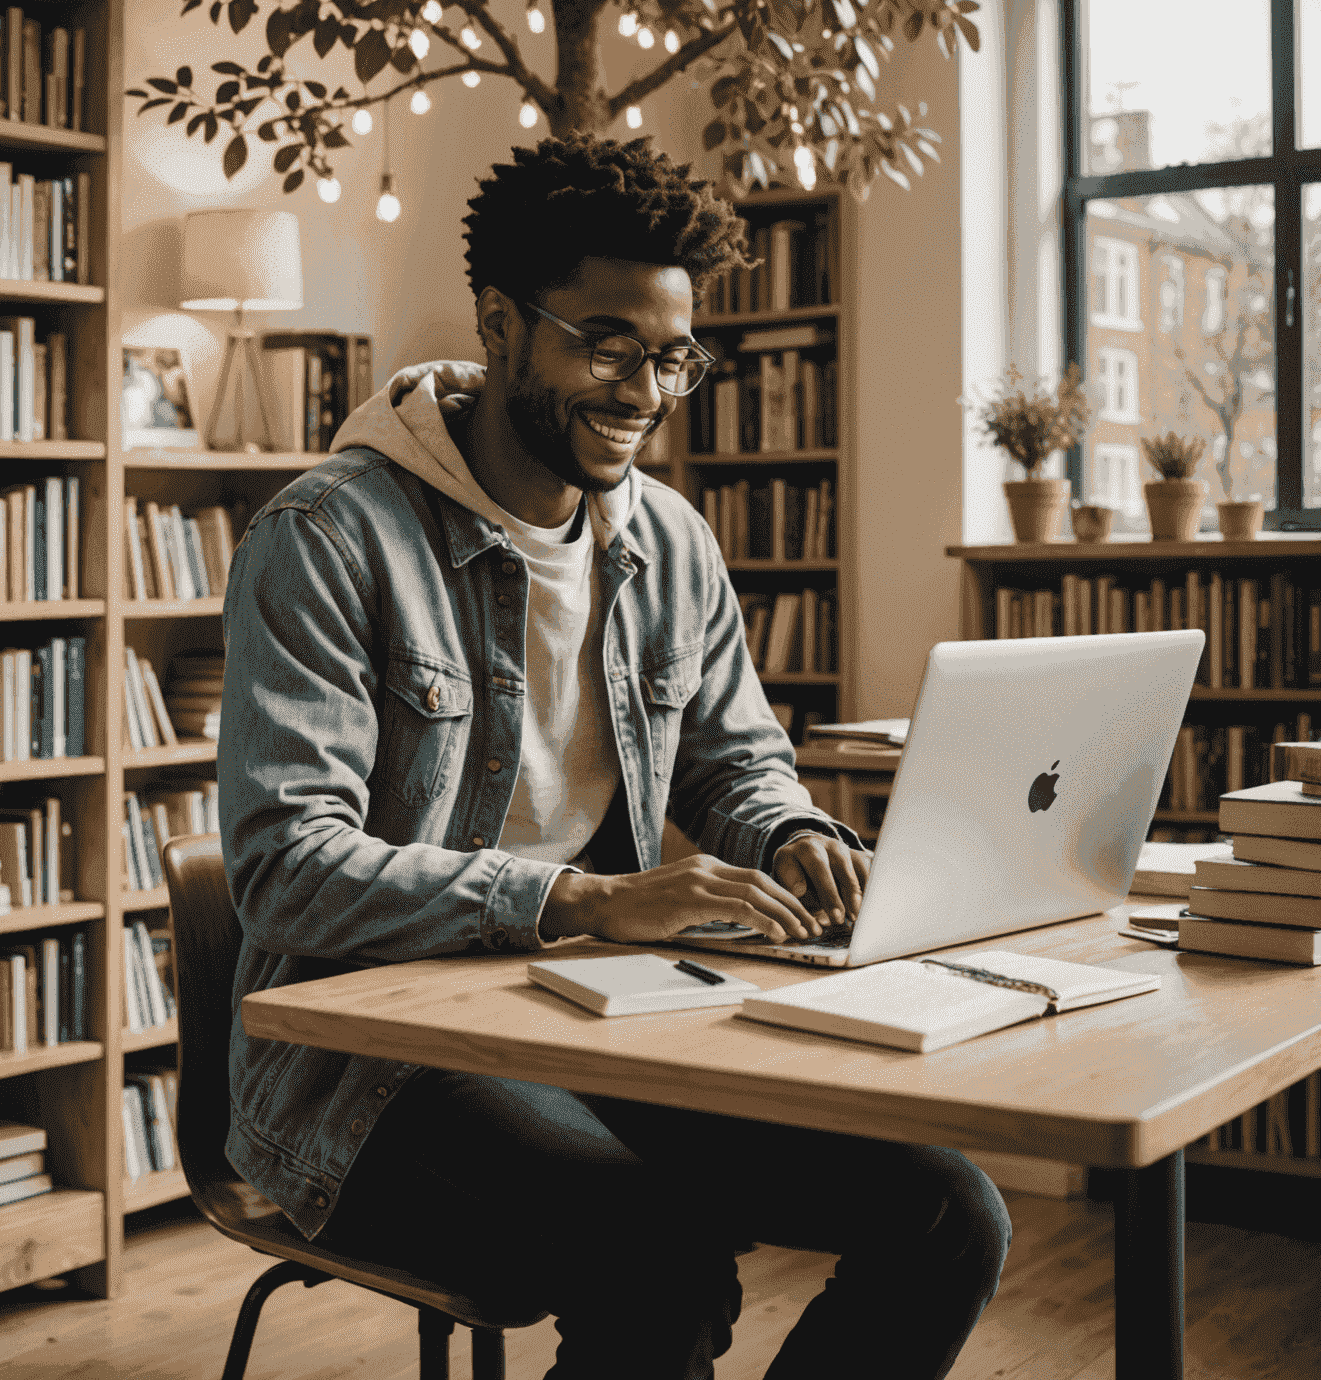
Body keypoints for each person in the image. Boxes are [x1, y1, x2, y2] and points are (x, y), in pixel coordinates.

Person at [219, 134, 1010, 1379]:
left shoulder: (671, 543)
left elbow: (735, 762)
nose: (642, 391)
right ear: (497, 322)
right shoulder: (326, 539)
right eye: (605, 345)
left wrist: (794, 834)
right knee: (658, 1250)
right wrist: (584, 899)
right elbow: (286, 869)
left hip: (614, 1024)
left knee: (950, 1211)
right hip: (376, 1067)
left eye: (671, 357)